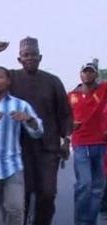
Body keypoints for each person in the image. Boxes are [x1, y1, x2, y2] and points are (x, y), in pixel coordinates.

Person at [0, 38, 72, 225]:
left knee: (47, 194)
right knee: (20, 199)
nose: (30, 58)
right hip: (19, 147)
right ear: (19, 59)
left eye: (33, 54)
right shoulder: (9, 78)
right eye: (25, 55)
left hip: (47, 148)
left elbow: (65, 114)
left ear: (40, 57)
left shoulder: (53, 81)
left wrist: (67, 140)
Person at [0, 66, 43, 225]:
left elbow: (38, 132)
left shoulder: (20, 105)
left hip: (12, 166)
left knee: (15, 211)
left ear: (8, 81)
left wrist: (29, 120)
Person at [67, 62, 107, 225]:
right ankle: (81, 221)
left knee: (98, 188)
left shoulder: (103, 90)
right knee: (85, 184)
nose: (88, 74)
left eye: (91, 72)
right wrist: (69, 126)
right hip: (80, 145)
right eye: (85, 71)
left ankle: (89, 222)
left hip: (101, 144)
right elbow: (64, 117)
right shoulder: (70, 96)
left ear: (96, 75)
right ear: (80, 74)